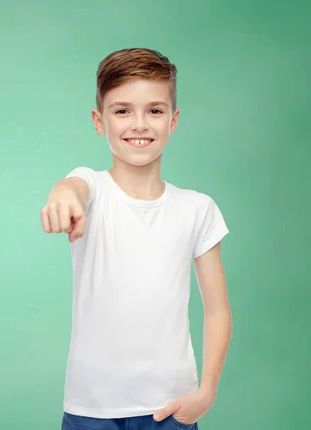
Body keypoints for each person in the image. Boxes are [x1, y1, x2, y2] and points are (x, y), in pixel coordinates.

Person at [40, 48, 232, 430]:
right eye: (122, 110)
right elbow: (71, 187)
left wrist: (206, 392)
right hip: (90, 409)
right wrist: (62, 196)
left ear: (173, 120)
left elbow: (217, 311)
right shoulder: (91, 187)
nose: (139, 124)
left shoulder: (198, 208)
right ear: (99, 121)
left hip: (170, 410)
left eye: (155, 111)